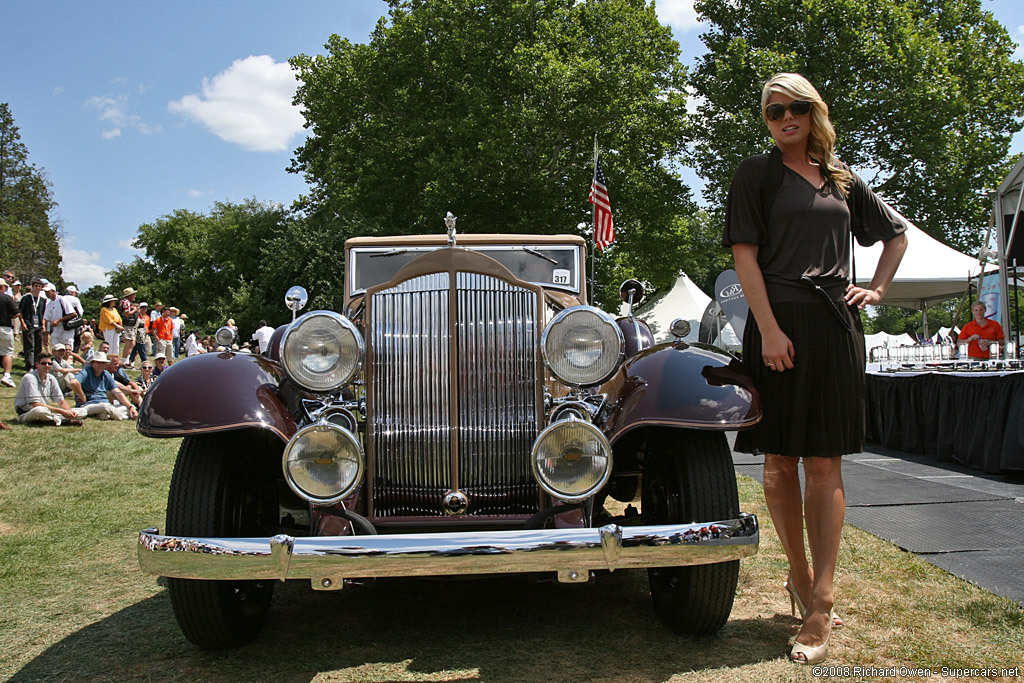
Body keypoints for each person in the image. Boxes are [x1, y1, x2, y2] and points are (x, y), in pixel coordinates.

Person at [721, 73, 908, 665]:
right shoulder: (756, 173)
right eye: (775, 111)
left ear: (814, 112)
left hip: (833, 328)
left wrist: (875, 290)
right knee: (779, 461)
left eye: (797, 108)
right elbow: (743, 255)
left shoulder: (843, 180)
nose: (786, 118)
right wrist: (770, 328)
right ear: (767, 120)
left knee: (824, 460)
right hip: (776, 322)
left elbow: (896, 236)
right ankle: (800, 579)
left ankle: (821, 601)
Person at [14, 352, 85, 426]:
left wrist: (70, 412)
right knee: (40, 411)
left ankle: (52, 420)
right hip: (28, 412)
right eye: (43, 363)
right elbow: (36, 404)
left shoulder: (51, 378)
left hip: (46, 411)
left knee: (83, 411)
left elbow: (61, 402)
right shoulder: (29, 377)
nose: (47, 366)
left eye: (49, 364)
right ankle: (62, 421)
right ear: (37, 364)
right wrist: (62, 412)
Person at [73, 352, 138, 420]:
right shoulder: (86, 372)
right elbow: (74, 382)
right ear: (92, 363)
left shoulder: (106, 374)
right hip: (88, 404)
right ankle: (123, 417)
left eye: (103, 363)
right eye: (98, 362)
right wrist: (81, 395)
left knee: (127, 407)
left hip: (105, 403)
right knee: (105, 407)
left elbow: (117, 392)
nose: (101, 365)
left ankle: (103, 414)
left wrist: (130, 407)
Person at [19, 279, 46, 370]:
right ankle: (29, 365)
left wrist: (43, 325)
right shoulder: (26, 298)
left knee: (38, 346)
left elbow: (43, 314)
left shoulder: (42, 300)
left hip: (38, 325)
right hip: (28, 324)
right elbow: (20, 312)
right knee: (29, 346)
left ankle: (37, 365)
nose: (38, 288)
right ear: (33, 287)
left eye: (40, 286)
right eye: (36, 286)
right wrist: (23, 324)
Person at [0, 281, 20, 387]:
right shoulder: (7, 298)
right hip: (4, 328)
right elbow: (16, 313)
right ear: (2, 287)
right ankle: (7, 375)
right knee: (7, 352)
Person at [119, 287, 140, 362]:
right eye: (133, 294)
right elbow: (126, 314)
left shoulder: (128, 302)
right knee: (128, 342)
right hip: (127, 324)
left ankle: (127, 359)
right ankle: (124, 360)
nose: (135, 296)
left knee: (132, 343)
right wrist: (135, 310)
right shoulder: (126, 302)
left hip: (130, 325)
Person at [128, 301, 150, 367]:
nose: (144, 309)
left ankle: (131, 361)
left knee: (136, 348)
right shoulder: (137, 315)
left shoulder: (147, 317)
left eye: (145, 308)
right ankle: (144, 361)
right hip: (138, 333)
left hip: (144, 333)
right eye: (142, 308)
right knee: (141, 348)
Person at [64, 285, 85, 352]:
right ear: (72, 292)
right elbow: (80, 312)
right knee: (75, 340)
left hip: (62, 322)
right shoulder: (75, 299)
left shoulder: (61, 298)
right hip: (73, 323)